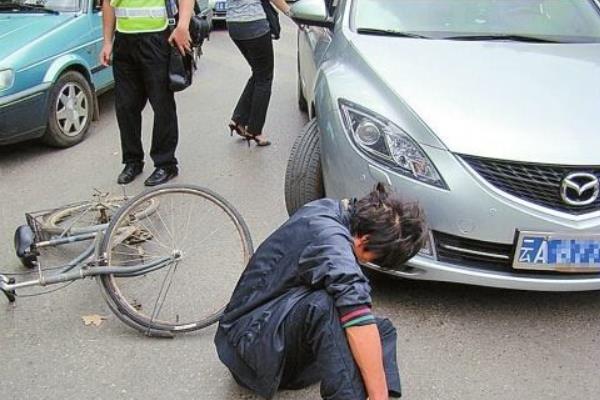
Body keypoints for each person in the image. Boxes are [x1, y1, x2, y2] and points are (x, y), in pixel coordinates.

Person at [215, 183, 427, 399]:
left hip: (273, 332)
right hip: (250, 353)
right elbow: (357, 314)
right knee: (326, 307)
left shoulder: (332, 211)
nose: (368, 263)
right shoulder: (330, 241)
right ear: (365, 241)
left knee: (383, 331)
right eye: (374, 259)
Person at [100, 0, 194, 186]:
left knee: (162, 104)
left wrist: (183, 26)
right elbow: (108, 4)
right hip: (124, 41)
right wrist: (107, 42)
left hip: (156, 37)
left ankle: (166, 164)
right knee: (125, 107)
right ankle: (132, 161)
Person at [225, 0, 292, 147]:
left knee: (258, 72)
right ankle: (255, 130)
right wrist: (291, 13)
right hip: (254, 24)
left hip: (234, 24)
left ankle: (238, 119)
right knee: (264, 77)